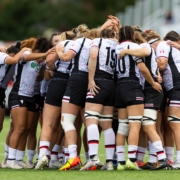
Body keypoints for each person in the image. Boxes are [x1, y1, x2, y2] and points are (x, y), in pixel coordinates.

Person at [119, 30, 169, 170]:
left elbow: (146, 54)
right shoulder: (139, 48)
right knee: (146, 125)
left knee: (148, 125)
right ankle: (159, 158)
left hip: (151, 89)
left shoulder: (144, 46)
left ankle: (162, 158)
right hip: (147, 88)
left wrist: (126, 51)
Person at [6, 37, 54, 169]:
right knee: (19, 128)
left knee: (27, 129)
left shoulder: (42, 62)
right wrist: (46, 54)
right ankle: (10, 159)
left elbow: (39, 78)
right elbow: (27, 57)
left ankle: (19, 159)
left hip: (33, 97)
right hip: (19, 94)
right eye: (41, 54)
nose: (41, 59)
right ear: (38, 50)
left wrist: (45, 66)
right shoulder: (26, 54)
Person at [35, 31, 76, 170]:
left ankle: (42, 156)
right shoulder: (83, 44)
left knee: (48, 124)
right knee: (69, 123)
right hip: (74, 83)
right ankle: (69, 157)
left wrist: (54, 69)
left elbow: (50, 61)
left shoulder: (62, 45)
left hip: (58, 81)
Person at [80, 28, 117, 171]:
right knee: (107, 124)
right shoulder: (116, 44)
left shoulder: (97, 41)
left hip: (99, 82)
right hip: (111, 84)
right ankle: (109, 161)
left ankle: (93, 157)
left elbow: (93, 56)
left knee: (91, 119)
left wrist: (90, 80)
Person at [143, 29, 180, 169]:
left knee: (175, 125)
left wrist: (150, 67)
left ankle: (176, 161)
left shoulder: (164, 45)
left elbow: (162, 64)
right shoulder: (174, 49)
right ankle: (169, 160)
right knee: (170, 125)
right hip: (172, 88)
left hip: (175, 87)